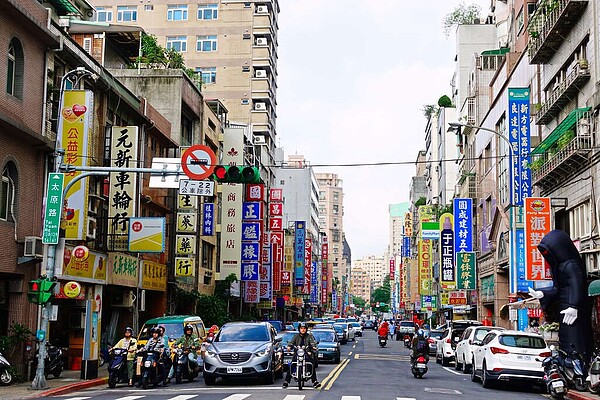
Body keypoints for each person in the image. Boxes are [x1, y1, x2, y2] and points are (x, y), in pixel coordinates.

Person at [529, 230, 593, 365]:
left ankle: (581, 366)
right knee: (566, 341)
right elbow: (558, 289)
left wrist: (574, 306)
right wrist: (543, 294)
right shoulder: (558, 267)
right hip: (565, 310)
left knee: (576, 339)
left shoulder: (571, 265)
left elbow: (577, 285)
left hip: (573, 311)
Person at [283, 322, 320, 388]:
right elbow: (291, 343)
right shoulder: (296, 336)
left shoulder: (309, 336)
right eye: (301, 328)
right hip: (297, 353)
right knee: (292, 364)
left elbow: (313, 343)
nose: (303, 330)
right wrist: (289, 347)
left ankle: (315, 381)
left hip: (306, 353)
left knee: (311, 364)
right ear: (299, 329)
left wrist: (313, 347)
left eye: (304, 328)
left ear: (306, 329)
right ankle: (286, 382)